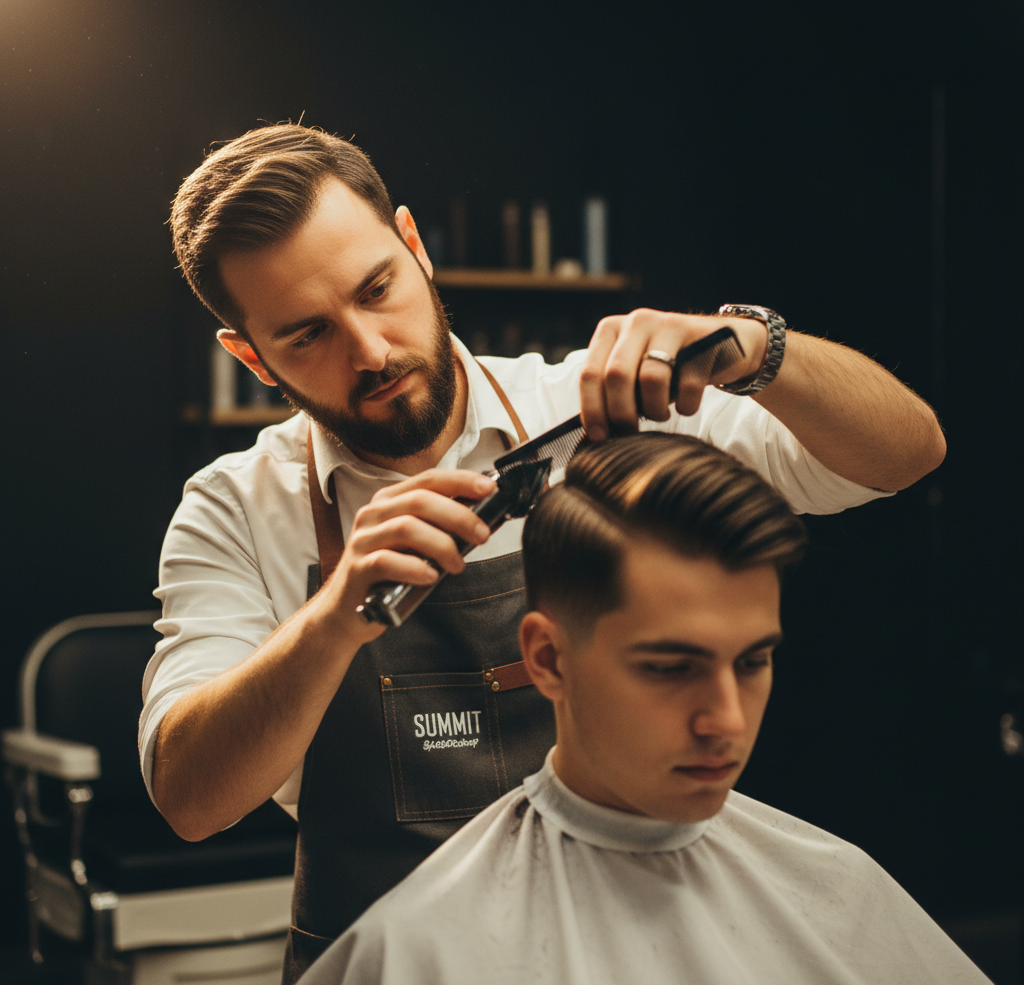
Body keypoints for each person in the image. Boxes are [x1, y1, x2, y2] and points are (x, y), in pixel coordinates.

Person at [139, 123, 946, 979]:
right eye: (307, 335)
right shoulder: (234, 506)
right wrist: (337, 616)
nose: (369, 350)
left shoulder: (603, 412)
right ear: (251, 357)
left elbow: (906, 454)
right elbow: (191, 799)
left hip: (628, 944)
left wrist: (754, 350)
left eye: (376, 289)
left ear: (414, 248)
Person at [298, 433, 986, 985]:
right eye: (669, 668)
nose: (727, 720)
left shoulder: (839, 889)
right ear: (548, 659)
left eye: (752, 661)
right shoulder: (423, 951)